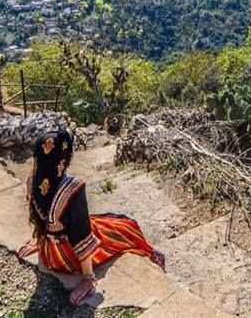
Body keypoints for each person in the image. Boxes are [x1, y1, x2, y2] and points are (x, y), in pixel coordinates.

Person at [18, 129, 165, 306]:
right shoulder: (72, 188)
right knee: (126, 226)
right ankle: (152, 253)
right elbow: (81, 235)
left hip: (48, 252)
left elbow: (37, 213)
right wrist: (88, 277)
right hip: (67, 259)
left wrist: (40, 238)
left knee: (94, 220)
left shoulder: (33, 179)